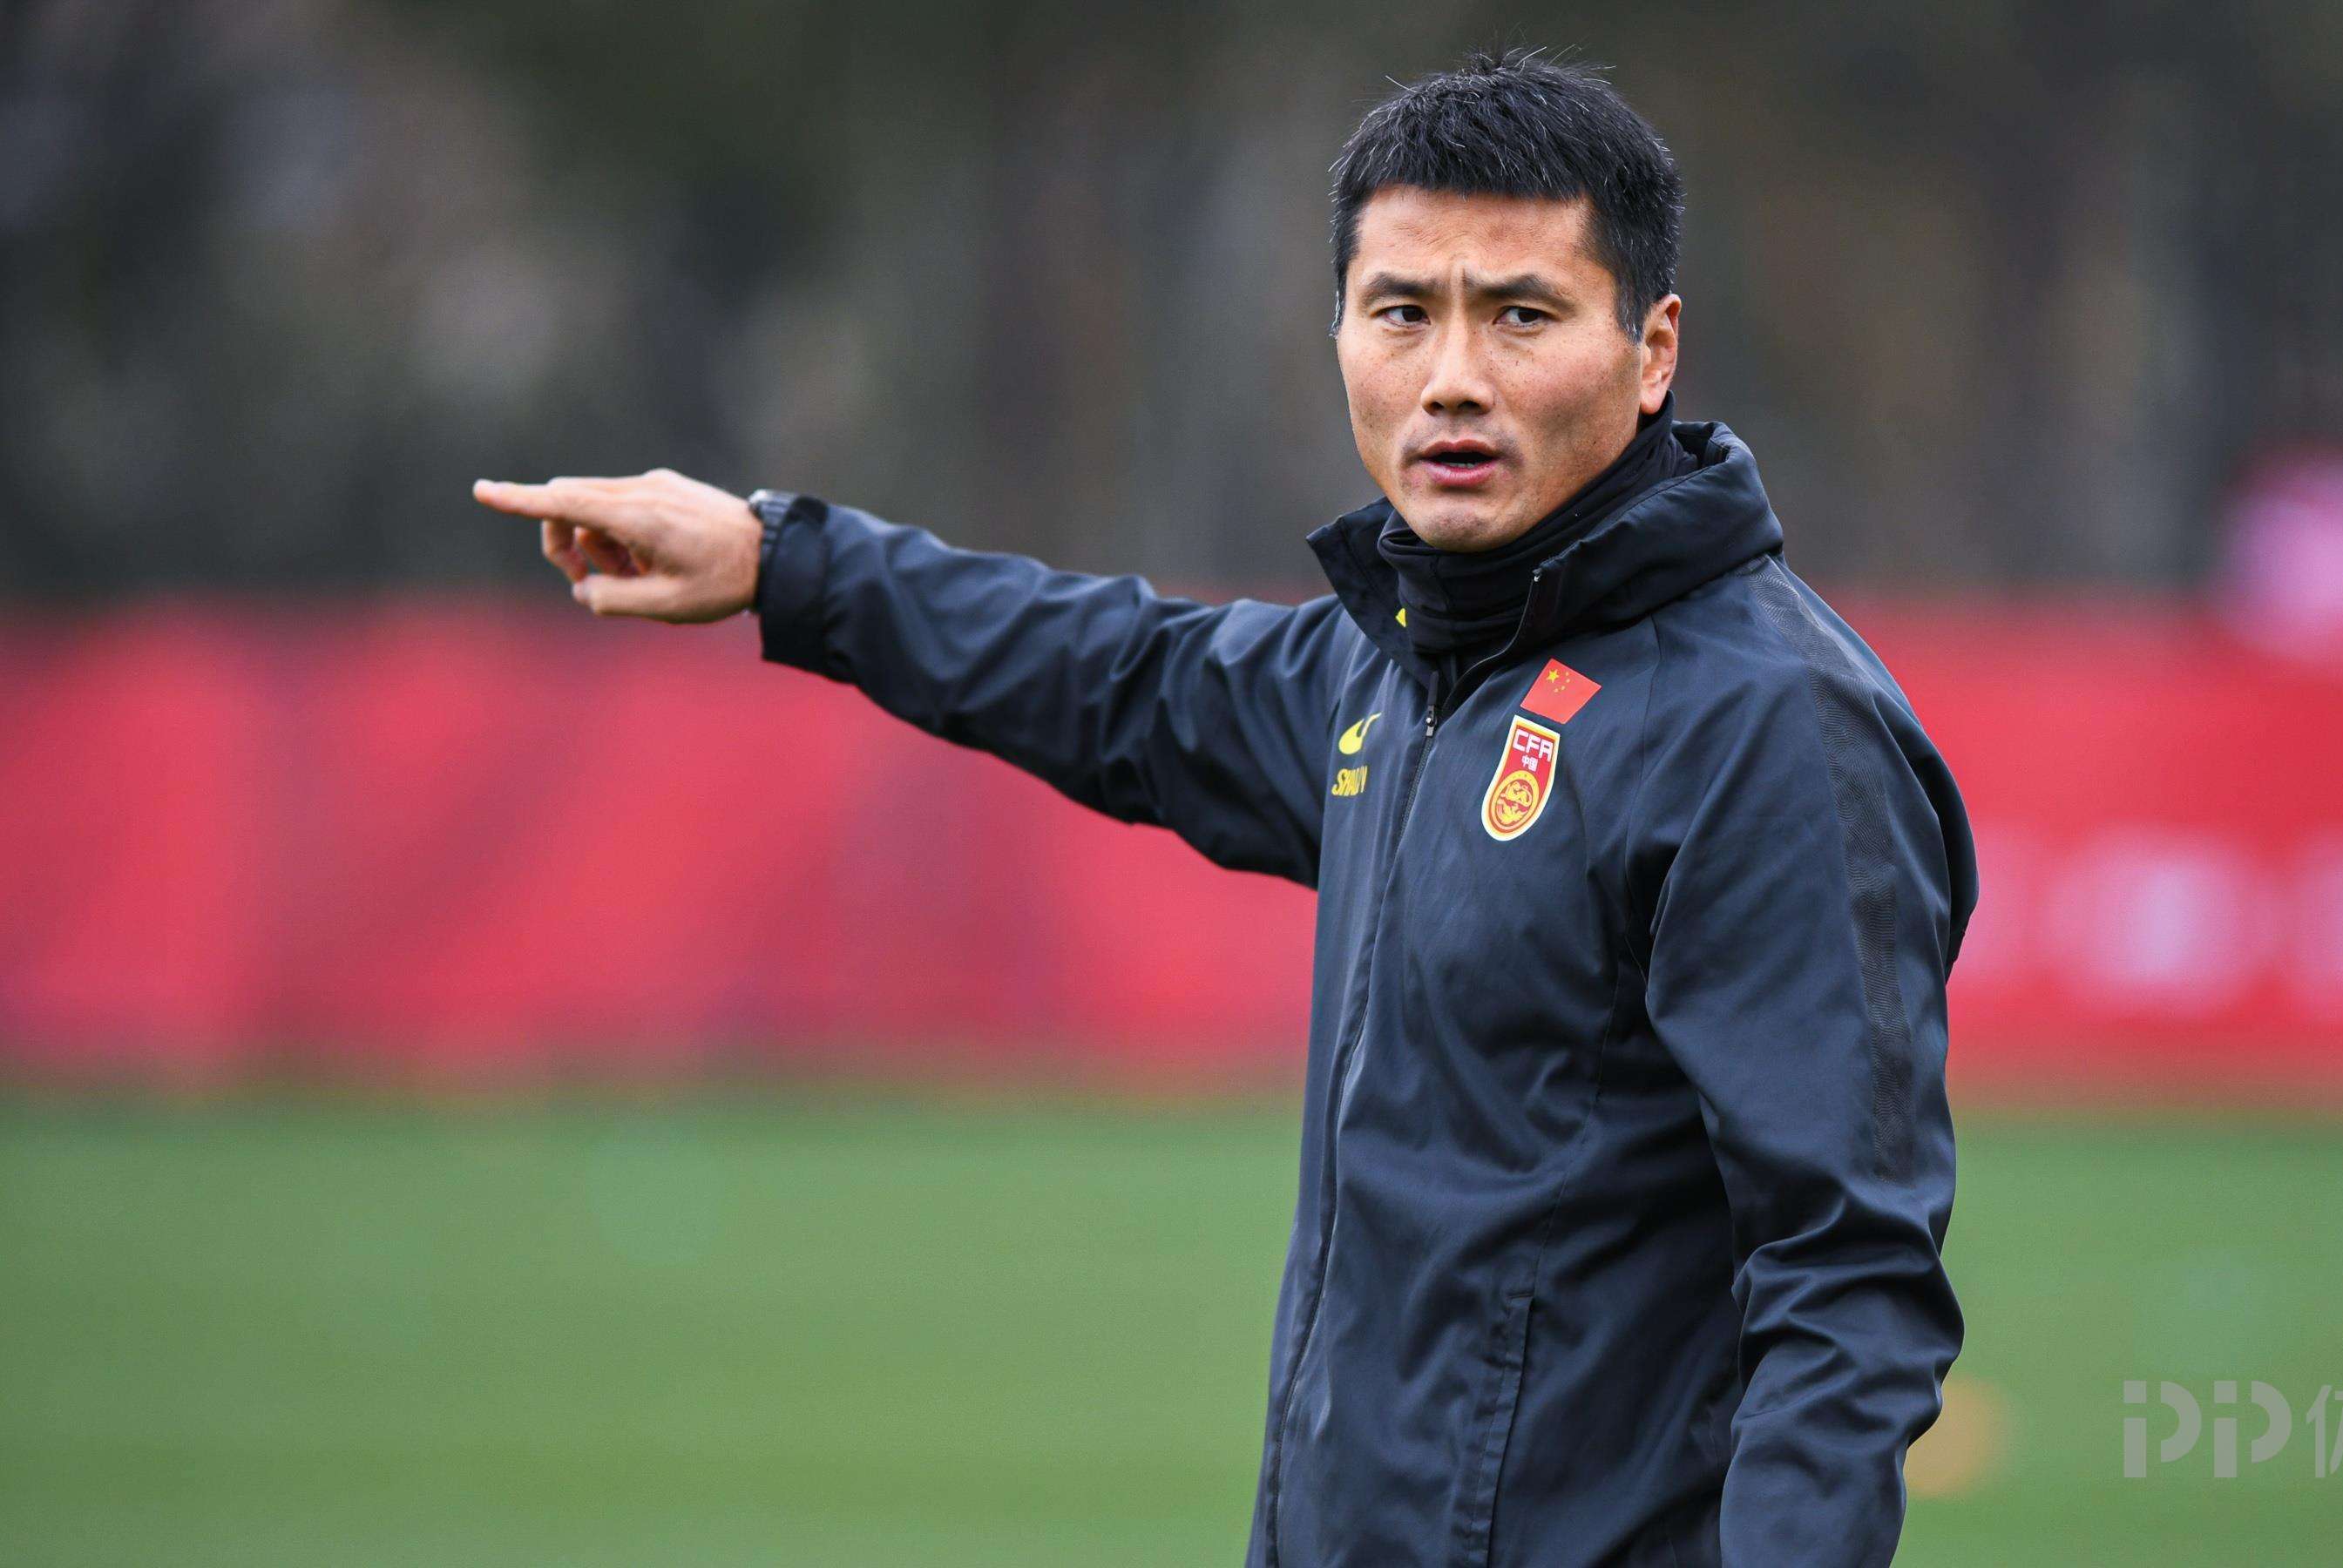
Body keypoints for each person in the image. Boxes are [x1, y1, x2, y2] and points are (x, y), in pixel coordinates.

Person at [475, 46, 1977, 1568]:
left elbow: (1845, 1287)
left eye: (1521, 315)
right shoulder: (1398, 670)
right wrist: (779, 561)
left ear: (1649, 351)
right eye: (1402, 311)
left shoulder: (1766, 730)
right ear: (1339, 333)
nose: (1451, 376)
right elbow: (1121, 675)